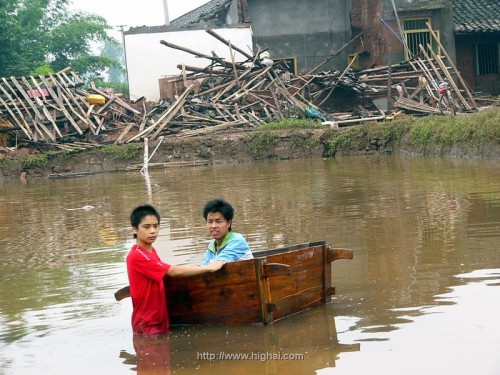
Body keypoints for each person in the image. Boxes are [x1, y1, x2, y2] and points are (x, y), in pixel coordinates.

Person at [127, 204, 225, 335]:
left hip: (159, 321)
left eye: (156, 226)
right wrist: (208, 268)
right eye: (147, 227)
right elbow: (172, 271)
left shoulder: (151, 251)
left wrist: (195, 268)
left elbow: (165, 272)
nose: (152, 231)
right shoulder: (137, 255)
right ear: (134, 229)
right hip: (148, 324)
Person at [200, 198, 253, 266]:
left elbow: (216, 265)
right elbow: (204, 265)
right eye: (210, 222)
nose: (213, 226)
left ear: (228, 223)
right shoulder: (212, 245)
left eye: (218, 221)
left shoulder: (237, 240)